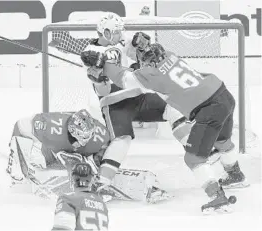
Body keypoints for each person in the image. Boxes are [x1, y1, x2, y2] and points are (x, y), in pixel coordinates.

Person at [82, 36, 248, 212]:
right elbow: (145, 56)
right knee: (222, 142)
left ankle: (217, 197)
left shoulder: (152, 75)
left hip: (209, 108)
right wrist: (140, 49)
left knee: (193, 158)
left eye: (145, 64)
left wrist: (105, 66)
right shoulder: (170, 55)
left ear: (151, 65)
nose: (143, 65)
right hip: (223, 94)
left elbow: (124, 79)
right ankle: (236, 175)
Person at [80, 12, 183, 191]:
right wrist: (98, 79)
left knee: (172, 108)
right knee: (122, 139)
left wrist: (139, 44)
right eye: (118, 31)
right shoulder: (90, 54)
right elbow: (102, 92)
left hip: (138, 95)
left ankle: (200, 153)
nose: (122, 34)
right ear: (106, 33)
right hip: (114, 102)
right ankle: (103, 183)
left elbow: (136, 53)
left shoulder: (120, 40)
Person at [6, 108, 169, 203]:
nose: (83, 142)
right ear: (71, 131)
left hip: (71, 149)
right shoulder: (50, 130)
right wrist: (15, 158)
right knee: (34, 167)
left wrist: (100, 166)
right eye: (80, 138)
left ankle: (89, 178)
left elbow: (107, 149)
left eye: (86, 138)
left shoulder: (99, 134)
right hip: (41, 143)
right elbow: (20, 126)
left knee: (90, 162)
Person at [52, 162, 109, 231]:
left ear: (72, 180)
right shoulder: (102, 204)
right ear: (91, 181)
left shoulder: (68, 200)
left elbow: (62, 228)